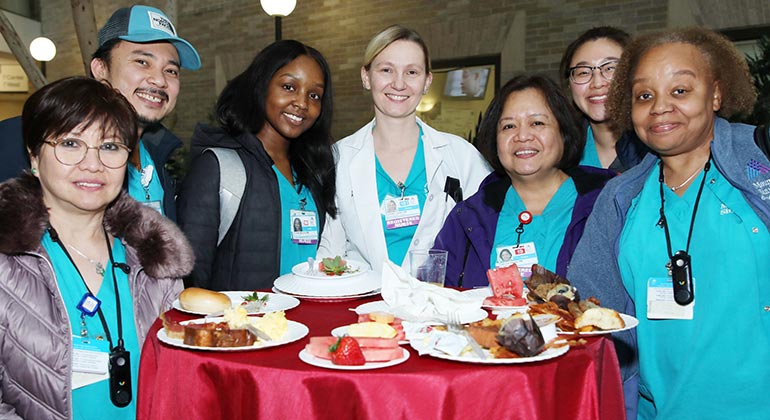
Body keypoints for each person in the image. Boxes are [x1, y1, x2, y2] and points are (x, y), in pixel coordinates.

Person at [567, 27, 769, 419]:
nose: (660, 107)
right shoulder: (619, 199)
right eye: (645, 95)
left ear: (715, 93)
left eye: (680, 90)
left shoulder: (760, 164)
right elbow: (592, 316)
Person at [0, 77, 193, 419]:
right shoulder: (7, 262)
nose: (93, 164)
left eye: (110, 147)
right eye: (71, 143)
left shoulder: (154, 259)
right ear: (34, 156)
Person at [0, 5, 201, 222]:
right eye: (142, 62)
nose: (160, 80)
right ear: (100, 69)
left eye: (171, 71)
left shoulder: (156, 155)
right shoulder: (23, 138)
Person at [317, 25, 491, 273]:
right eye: (386, 70)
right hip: (363, 305)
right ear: (366, 77)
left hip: (438, 304)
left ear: (427, 81)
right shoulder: (337, 158)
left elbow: (487, 235)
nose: (399, 83)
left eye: (411, 72)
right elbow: (330, 253)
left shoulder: (461, 156)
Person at [177, 40, 336, 291]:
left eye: (314, 95)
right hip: (239, 327)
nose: (302, 103)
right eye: (289, 87)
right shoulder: (219, 168)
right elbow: (191, 279)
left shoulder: (314, 173)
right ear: (261, 86)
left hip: (303, 325)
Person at [434, 75, 614, 288]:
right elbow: (439, 299)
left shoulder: (608, 205)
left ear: (563, 132)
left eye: (537, 123)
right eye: (509, 126)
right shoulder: (467, 218)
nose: (522, 136)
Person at [559, 26, 648, 172]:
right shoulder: (560, 153)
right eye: (583, 72)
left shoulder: (658, 147)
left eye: (610, 68)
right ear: (569, 84)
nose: (597, 83)